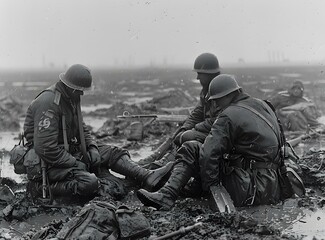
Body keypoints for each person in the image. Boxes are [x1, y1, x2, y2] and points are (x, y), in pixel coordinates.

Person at [23, 64, 173, 199]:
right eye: (81, 91)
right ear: (73, 88)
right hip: (48, 163)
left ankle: (147, 176)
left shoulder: (69, 98)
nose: (82, 95)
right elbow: (46, 148)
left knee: (114, 153)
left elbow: (82, 129)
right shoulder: (49, 103)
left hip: (68, 154)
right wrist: (75, 163)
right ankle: (39, 189)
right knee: (89, 183)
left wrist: (92, 147)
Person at [137, 74, 283, 210]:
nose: (216, 105)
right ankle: (191, 188)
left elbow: (208, 154)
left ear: (227, 95)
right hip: (273, 186)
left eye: (217, 100)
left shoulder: (229, 115)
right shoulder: (264, 105)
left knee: (192, 148)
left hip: (250, 189)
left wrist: (210, 188)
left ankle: (167, 195)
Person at [174, 52, 221, 146]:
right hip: (208, 131)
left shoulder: (221, 91)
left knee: (187, 137)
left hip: (220, 134)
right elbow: (197, 113)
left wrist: (194, 129)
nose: (197, 77)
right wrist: (185, 128)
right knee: (180, 133)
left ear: (210, 74)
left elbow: (218, 121)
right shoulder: (206, 91)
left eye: (200, 73)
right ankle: (166, 157)